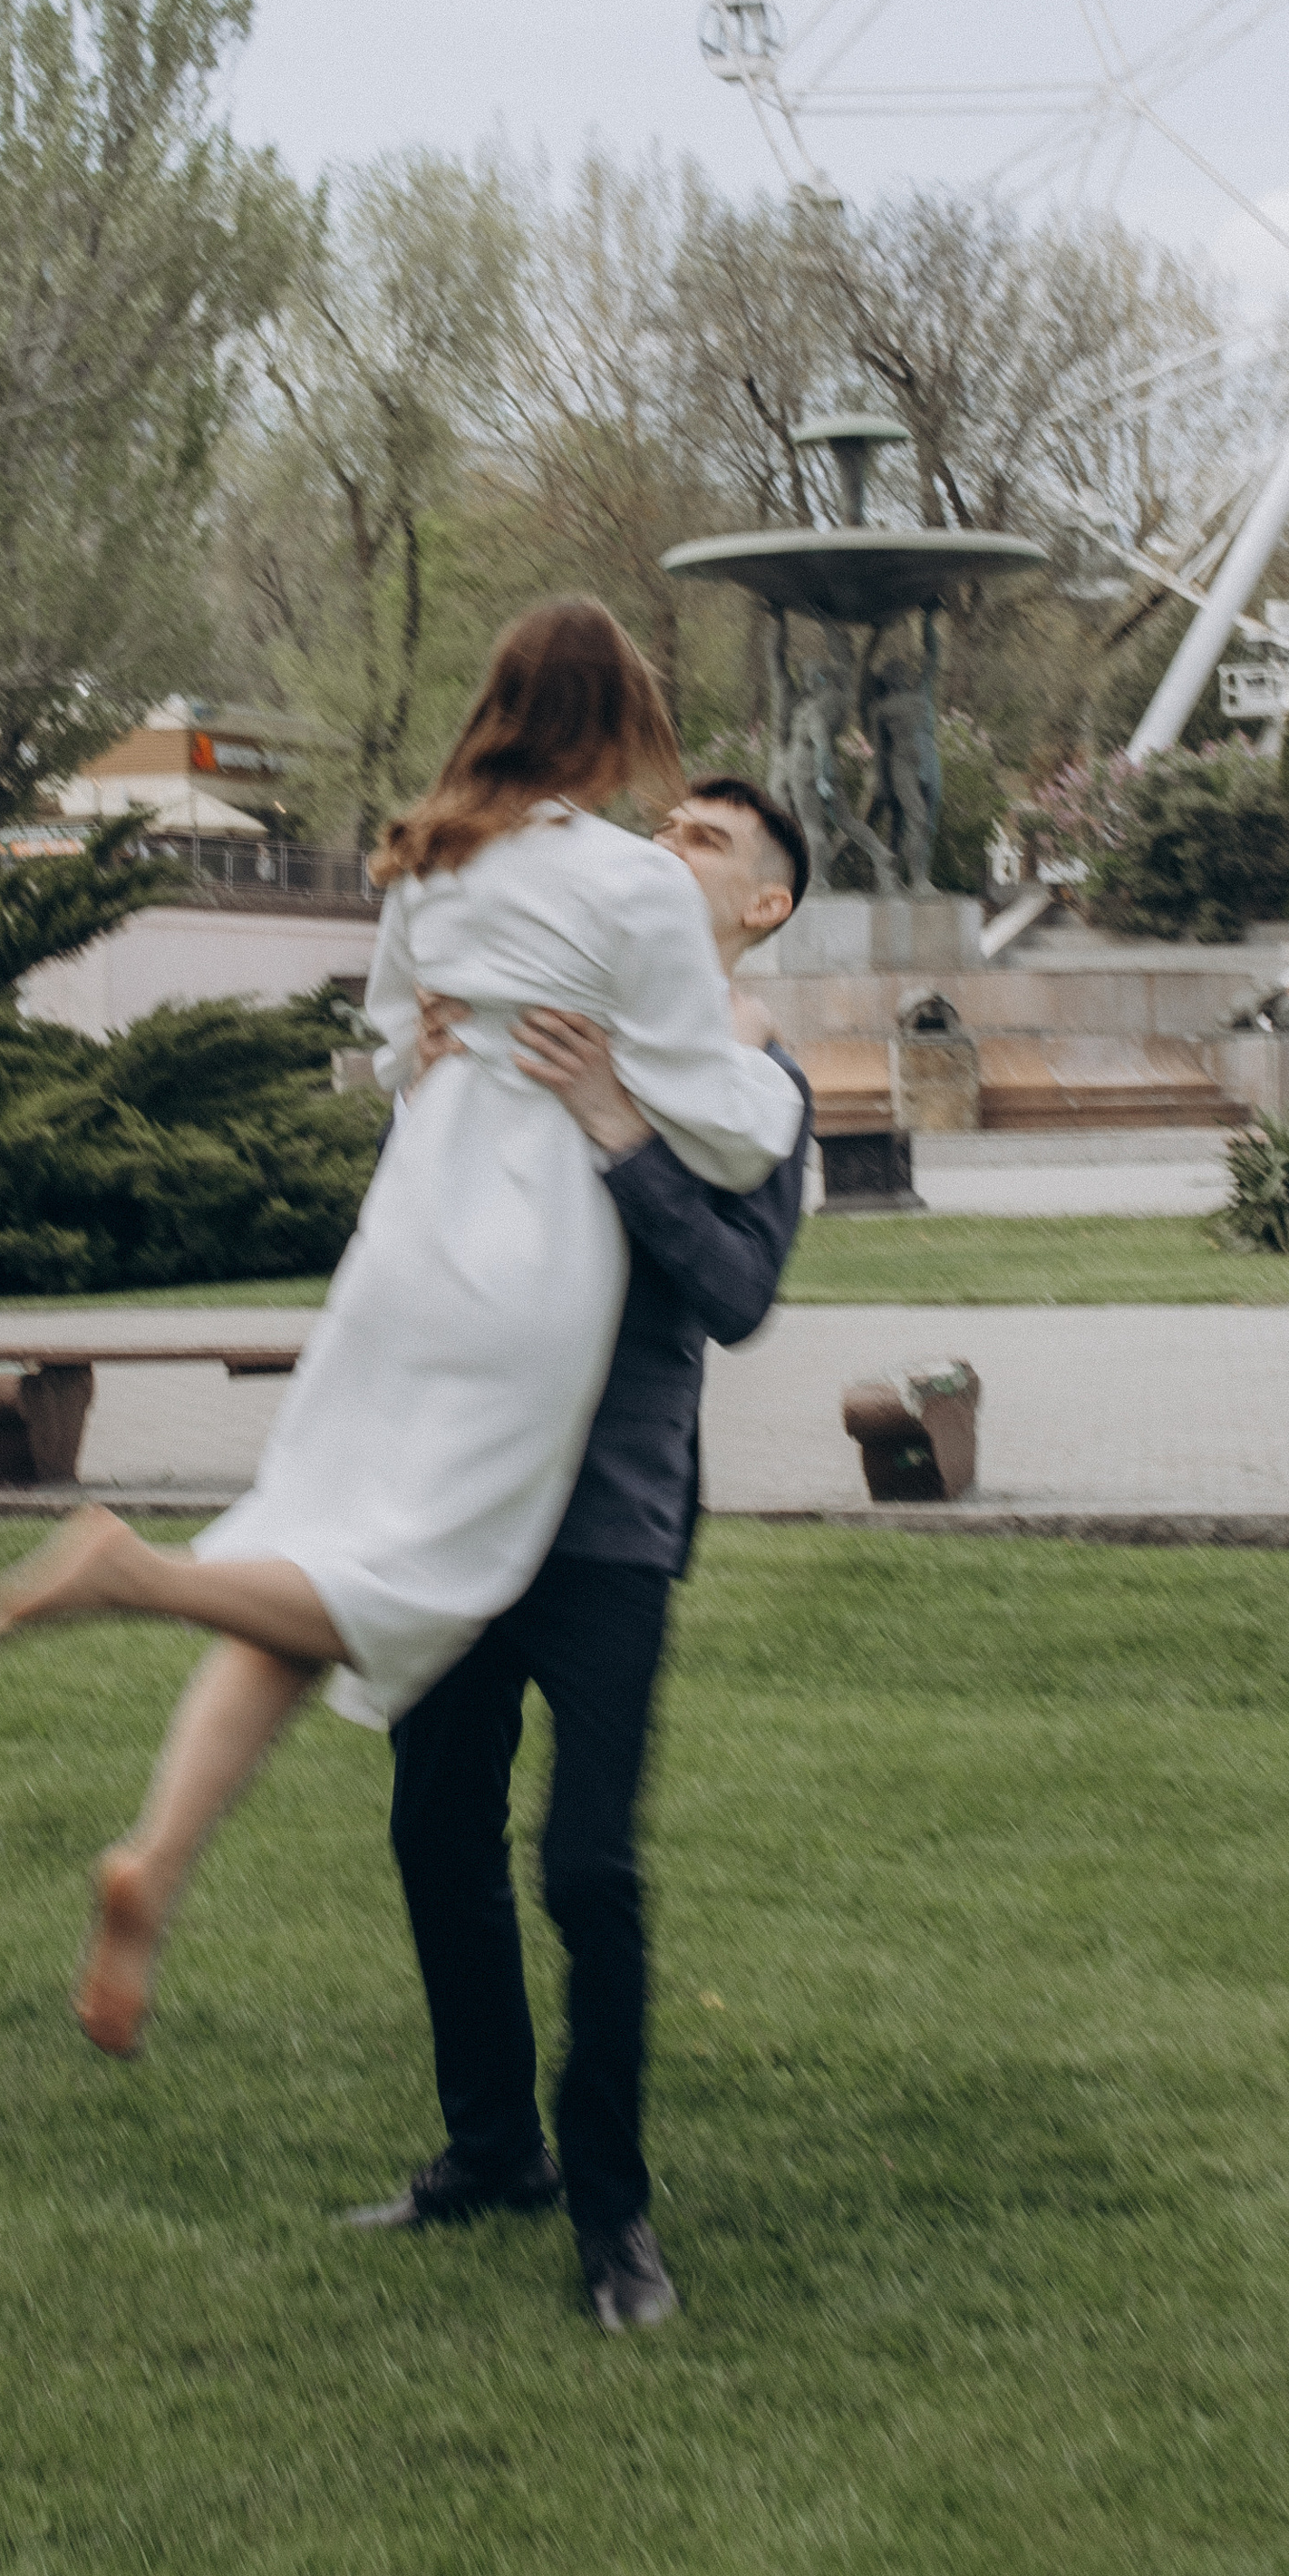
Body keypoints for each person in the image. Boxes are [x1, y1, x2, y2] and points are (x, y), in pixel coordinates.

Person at [0, 602, 804, 2077]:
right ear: (611, 729)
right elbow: (710, 1119)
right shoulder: (633, 892)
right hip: (530, 1271)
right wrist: (778, 1089)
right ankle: (141, 1575)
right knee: (417, 1585)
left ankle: (160, 1851)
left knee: (318, 1539)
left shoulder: (429, 862)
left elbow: (402, 1046)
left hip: (406, 1247)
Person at [345, 775, 813, 2335]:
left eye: (708, 842)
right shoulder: (512, 1016)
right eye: (662, 824)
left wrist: (621, 1129)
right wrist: (418, 1091)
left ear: (764, 908)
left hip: (607, 1523)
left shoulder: (750, 1084)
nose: (663, 847)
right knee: (436, 1835)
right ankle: (495, 2152)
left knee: (589, 1869)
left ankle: (615, 2218)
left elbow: (740, 1296)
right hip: (462, 1505)